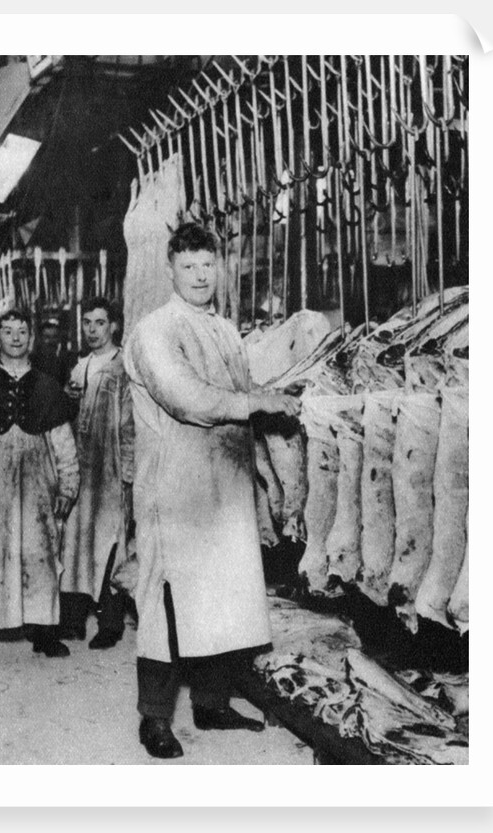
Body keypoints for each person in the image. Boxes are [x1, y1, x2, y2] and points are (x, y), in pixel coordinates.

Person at [123, 223, 301, 759]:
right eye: (189, 266)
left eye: (208, 265)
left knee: (223, 595)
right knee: (169, 604)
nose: (201, 276)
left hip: (224, 487)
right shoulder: (155, 330)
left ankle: (212, 703)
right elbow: (186, 399)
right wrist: (259, 402)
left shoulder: (225, 329)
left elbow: (243, 395)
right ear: (171, 270)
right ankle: (154, 719)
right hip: (174, 490)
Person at [0, 308, 80, 667]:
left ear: (30, 338)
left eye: (21, 331)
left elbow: (64, 447)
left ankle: (45, 633)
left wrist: (68, 486)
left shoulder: (47, 388)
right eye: (7, 331)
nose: (15, 337)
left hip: (38, 490)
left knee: (41, 558)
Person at [59, 297, 135, 649]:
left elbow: (132, 424)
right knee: (75, 542)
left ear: (114, 326)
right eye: (87, 322)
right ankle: (74, 620)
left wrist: (129, 472)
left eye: (100, 323)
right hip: (82, 468)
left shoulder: (124, 367)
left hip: (111, 468)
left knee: (111, 542)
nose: (92, 330)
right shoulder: (80, 366)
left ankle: (111, 623)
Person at [30, 316, 76, 386]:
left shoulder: (62, 364)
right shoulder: (31, 362)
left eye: (54, 337)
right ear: (40, 339)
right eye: (47, 337)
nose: (51, 341)